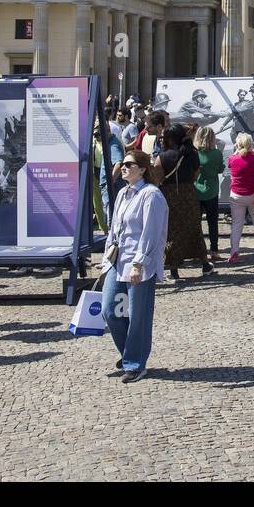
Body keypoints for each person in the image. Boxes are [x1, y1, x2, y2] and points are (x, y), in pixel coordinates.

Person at [99, 150, 166, 383]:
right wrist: (106, 260)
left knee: (138, 315)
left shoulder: (151, 196)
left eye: (129, 164)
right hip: (117, 261)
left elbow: (150, 233)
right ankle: (129, 352)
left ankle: (135, 363)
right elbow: (114, 229)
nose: (124, 167)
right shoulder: (122, 194)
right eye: (123, 163)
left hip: (138, 263)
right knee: (109, 310)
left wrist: (140, 263)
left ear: (143, 169)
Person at [152, 123, 209, 277]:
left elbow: (157, 178)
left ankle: (174, 268)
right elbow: (196, 175)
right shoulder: (192, 154)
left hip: (169, 195)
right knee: (194, 229)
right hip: (189, 194)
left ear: (169, 139)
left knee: (171, 231)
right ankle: (205, 264)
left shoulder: (162, 157)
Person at [225, 132, 254, 266]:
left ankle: (234, 252)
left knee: (237, 224)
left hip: (236, 195)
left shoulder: (232, 159)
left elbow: (231, 163)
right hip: (252, 195)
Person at [193, 126, 224, 263]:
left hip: (196, 190)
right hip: (211, 190)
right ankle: (214, 250)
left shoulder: (194, 153)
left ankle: (196, 251)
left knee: (196, 223)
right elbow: (220, 169)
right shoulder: (217, 153)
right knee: (213, 223)